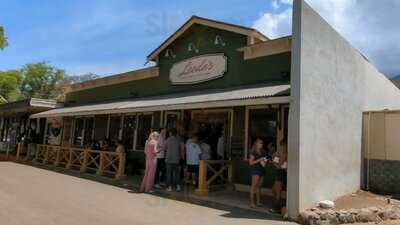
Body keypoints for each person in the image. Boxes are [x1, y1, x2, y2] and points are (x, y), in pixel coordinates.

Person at [248, 138, 267, 208]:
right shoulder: (253, 152)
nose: (261, 144)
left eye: (262, 143)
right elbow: (250, 162)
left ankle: (258, 202)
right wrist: (259, 160)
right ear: (256, 144)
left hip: (262, 170)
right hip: (255, 170)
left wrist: (264, 161)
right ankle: (252, 203)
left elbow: (264, 161)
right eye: (260, 143)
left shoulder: (263, 152)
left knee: (259, 187)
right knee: (253, 186)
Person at [271, 140, 288, 212]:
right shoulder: (280, 153)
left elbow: (280, 166)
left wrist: (274, 161)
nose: (280, 147)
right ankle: (279, 206)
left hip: (281, 173)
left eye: (281, 145)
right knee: (274, 190)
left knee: (277, 191)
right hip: (280, 172)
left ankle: (276, 208)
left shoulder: (285, 154)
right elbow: (277, 163)